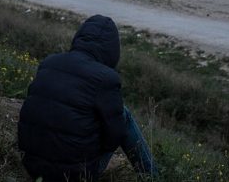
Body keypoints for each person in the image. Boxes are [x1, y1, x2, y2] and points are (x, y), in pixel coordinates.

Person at [18, 15, 157, 182]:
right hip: (74, 176)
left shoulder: (49, 62)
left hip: (32, 167)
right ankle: (152, 177)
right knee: (123, 116)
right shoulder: (106, 78)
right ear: (112, 49)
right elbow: (115, 136)